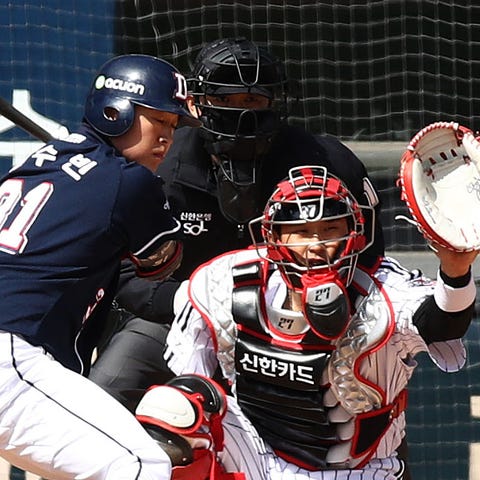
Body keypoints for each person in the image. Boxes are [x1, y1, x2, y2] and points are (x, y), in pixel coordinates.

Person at [89, 37, 385, 409]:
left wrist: (320, 303)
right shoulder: (158, 168)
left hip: (305, 321)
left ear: (275, 103)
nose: (241, 114)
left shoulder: (325, 162)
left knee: (368, 407)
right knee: (106, 392)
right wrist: (203, 302)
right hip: (180, 316)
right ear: (196, 104)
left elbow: (370, 255)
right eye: (225, 100)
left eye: (252, 100)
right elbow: (123, 274)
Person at [143, 165, 478, 480]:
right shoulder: (222, 283)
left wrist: (456, 271)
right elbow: (189, 382)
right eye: (300, 232)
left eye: (330, 229)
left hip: (356, 469)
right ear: (273, 238)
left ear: (355, 233)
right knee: (172, 407)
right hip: (258, 455)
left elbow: (443, 323)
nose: (316, 246)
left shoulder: (384, 291)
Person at [0, 53, 201, 479]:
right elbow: (160, 264)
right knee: (139, 465)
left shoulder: (35, 165)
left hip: (18, 355)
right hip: (10, 355)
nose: (167, 138)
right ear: (115, 111)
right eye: (158, 121)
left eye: (172, 126)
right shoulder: (130, 180)